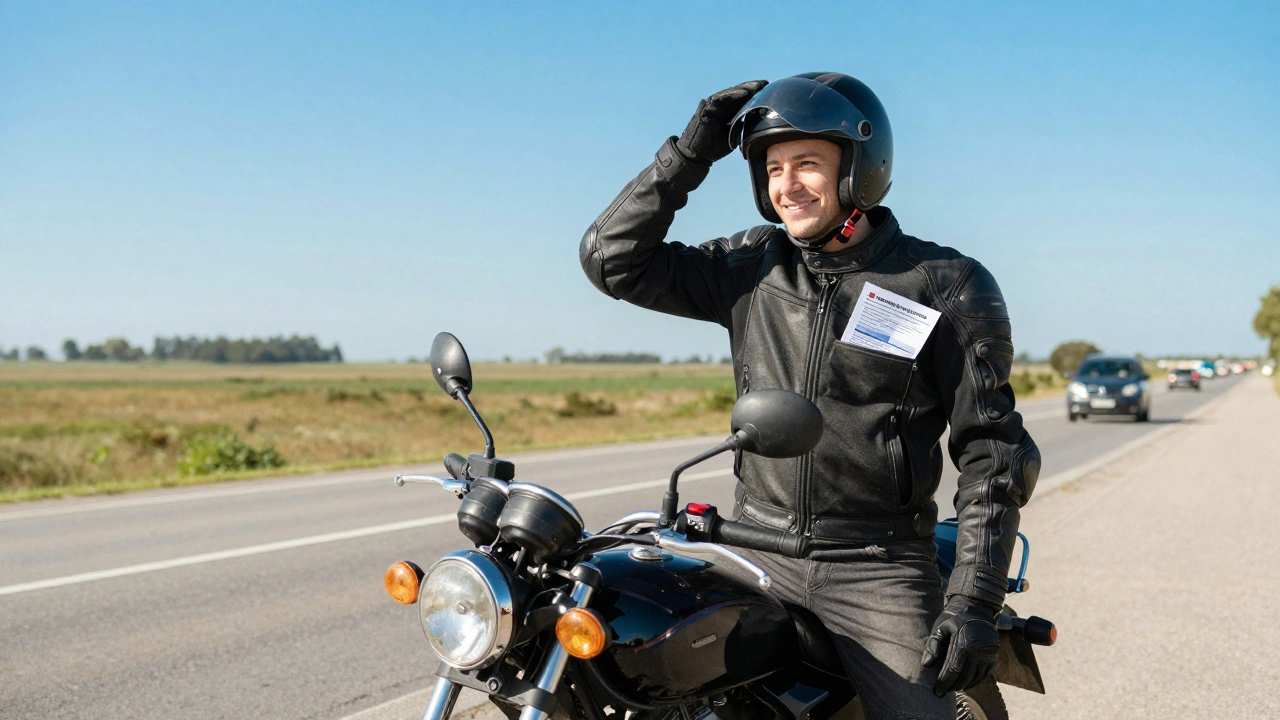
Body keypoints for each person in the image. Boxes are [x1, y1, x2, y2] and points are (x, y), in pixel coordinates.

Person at [579, 73, 1040, 719]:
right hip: (749, 544)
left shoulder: (942, 284)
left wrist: (972, 603)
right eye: (772, 168)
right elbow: (611, 259)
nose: (787, 184)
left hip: (874, 563)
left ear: (859, 167)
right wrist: (689, 154)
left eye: (807, 163)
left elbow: (994, 452)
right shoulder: (750, 267)